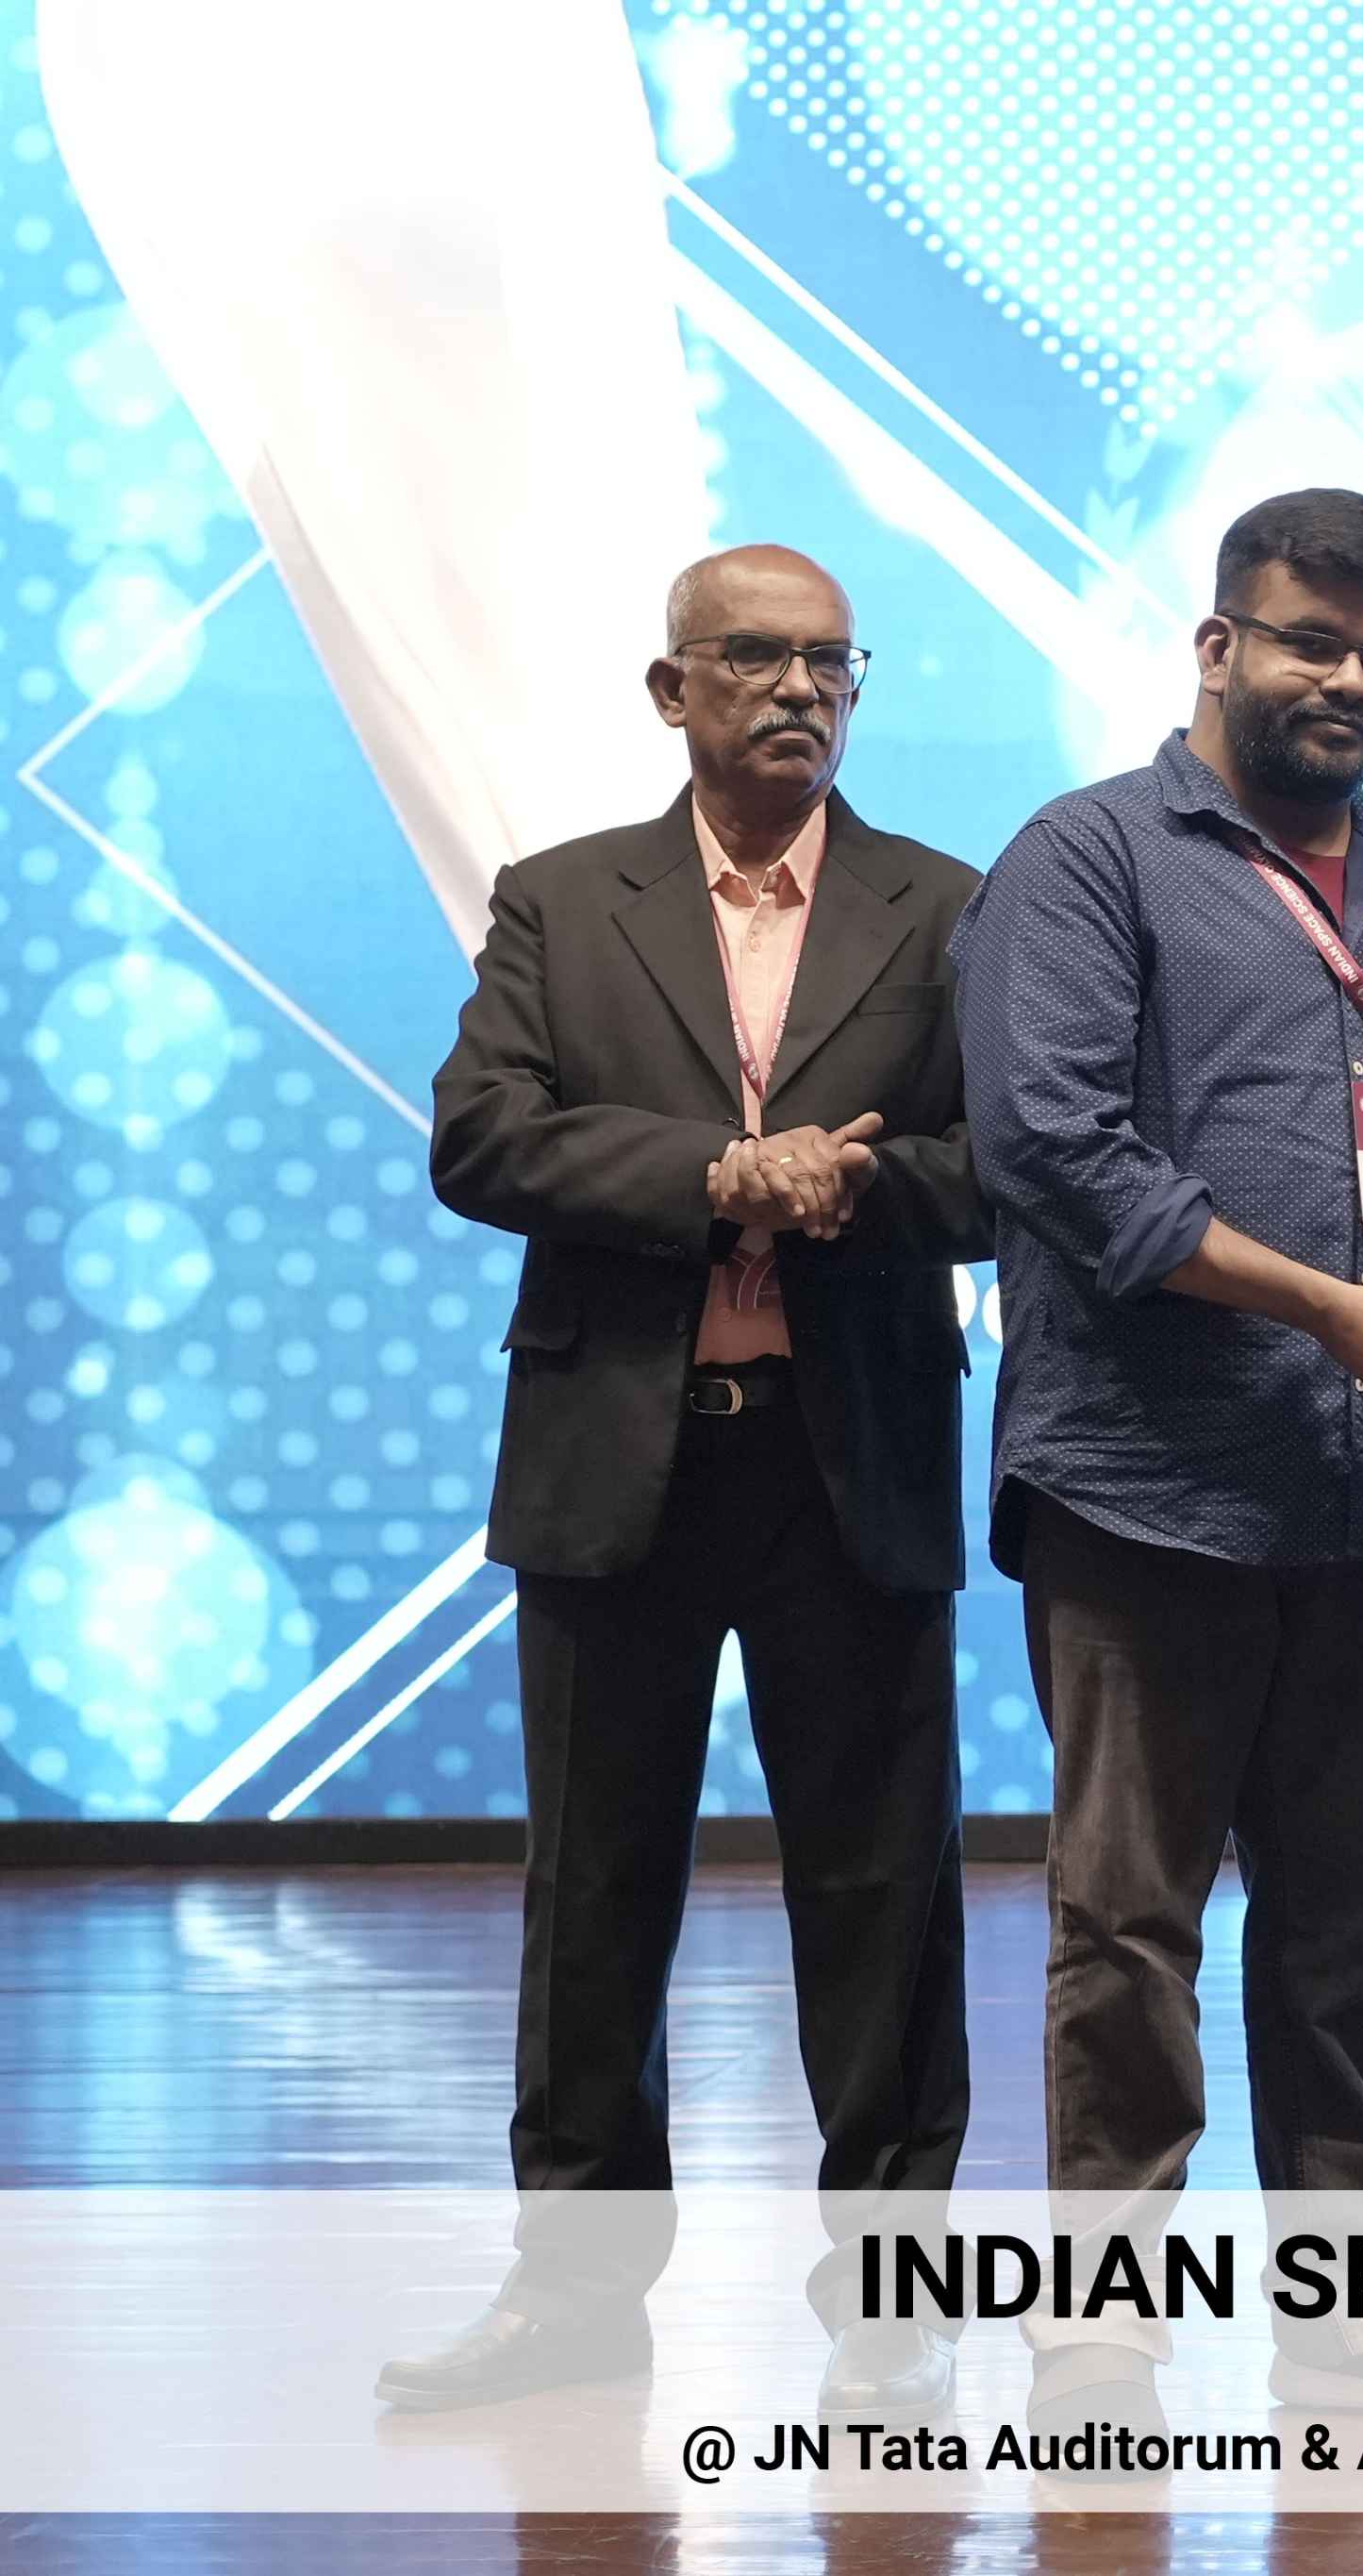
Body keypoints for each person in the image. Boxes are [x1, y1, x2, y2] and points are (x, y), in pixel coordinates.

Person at [953, 489, 1363, 2438]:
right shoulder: (1088, 858)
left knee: (1348, 1932)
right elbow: (1053, 1149)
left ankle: (1355, 2317)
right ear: (1217, 645)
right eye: (1311, 642)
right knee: (1126, 1925)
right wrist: (1322, 1309)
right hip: (1149, 1483)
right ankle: (1102, 2334)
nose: (1350, 683)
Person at [398, 545, 988, 2416]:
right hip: (615, 1455)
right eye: (756, 657)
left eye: (832, 663)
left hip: (849, 1456)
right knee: (594, 1891)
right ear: (673, 689)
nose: (800, 690)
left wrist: (853, 1182)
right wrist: (715, 1173)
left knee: (883, 1896)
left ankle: (891, 2305)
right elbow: (481, 1138)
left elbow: (1009, 1167)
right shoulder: (566, 900)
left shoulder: (947, 906)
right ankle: (573, 2298)